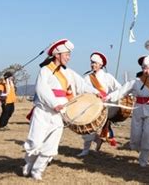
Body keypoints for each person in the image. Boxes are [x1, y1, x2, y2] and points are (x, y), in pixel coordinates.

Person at [23, 39, 102, 180]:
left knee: (51, 144)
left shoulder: (69, 73)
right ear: (57, 54)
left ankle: (38, 169)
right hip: (43, 112)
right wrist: (54, 103)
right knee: (35, 142)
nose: (69, 57)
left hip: (59, 115)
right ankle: (29, 163)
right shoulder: (45, 71)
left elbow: (82, 85)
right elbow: (41, 89)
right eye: (67, 54)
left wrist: (95, 92)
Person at [107, 55, 149, 167]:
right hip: (138, 108)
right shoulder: (135, 82)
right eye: (146, 68)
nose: (148, 71)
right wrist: (108, 97)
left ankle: (143, 161)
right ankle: (137, 147)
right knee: (135, 136)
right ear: (142, 68)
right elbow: (121, 91)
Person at [78, 52, 122, 157]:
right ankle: (90, 146)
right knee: (87, 128)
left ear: (101, 65)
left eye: (95, 63)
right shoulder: (87, 77)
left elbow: (119, 88)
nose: (93, 65)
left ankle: (94, 143)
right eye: (92, 63)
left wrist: (110, 97)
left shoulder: (107, 77)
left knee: (93, 128)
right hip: (90, 106)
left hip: (103, 107)